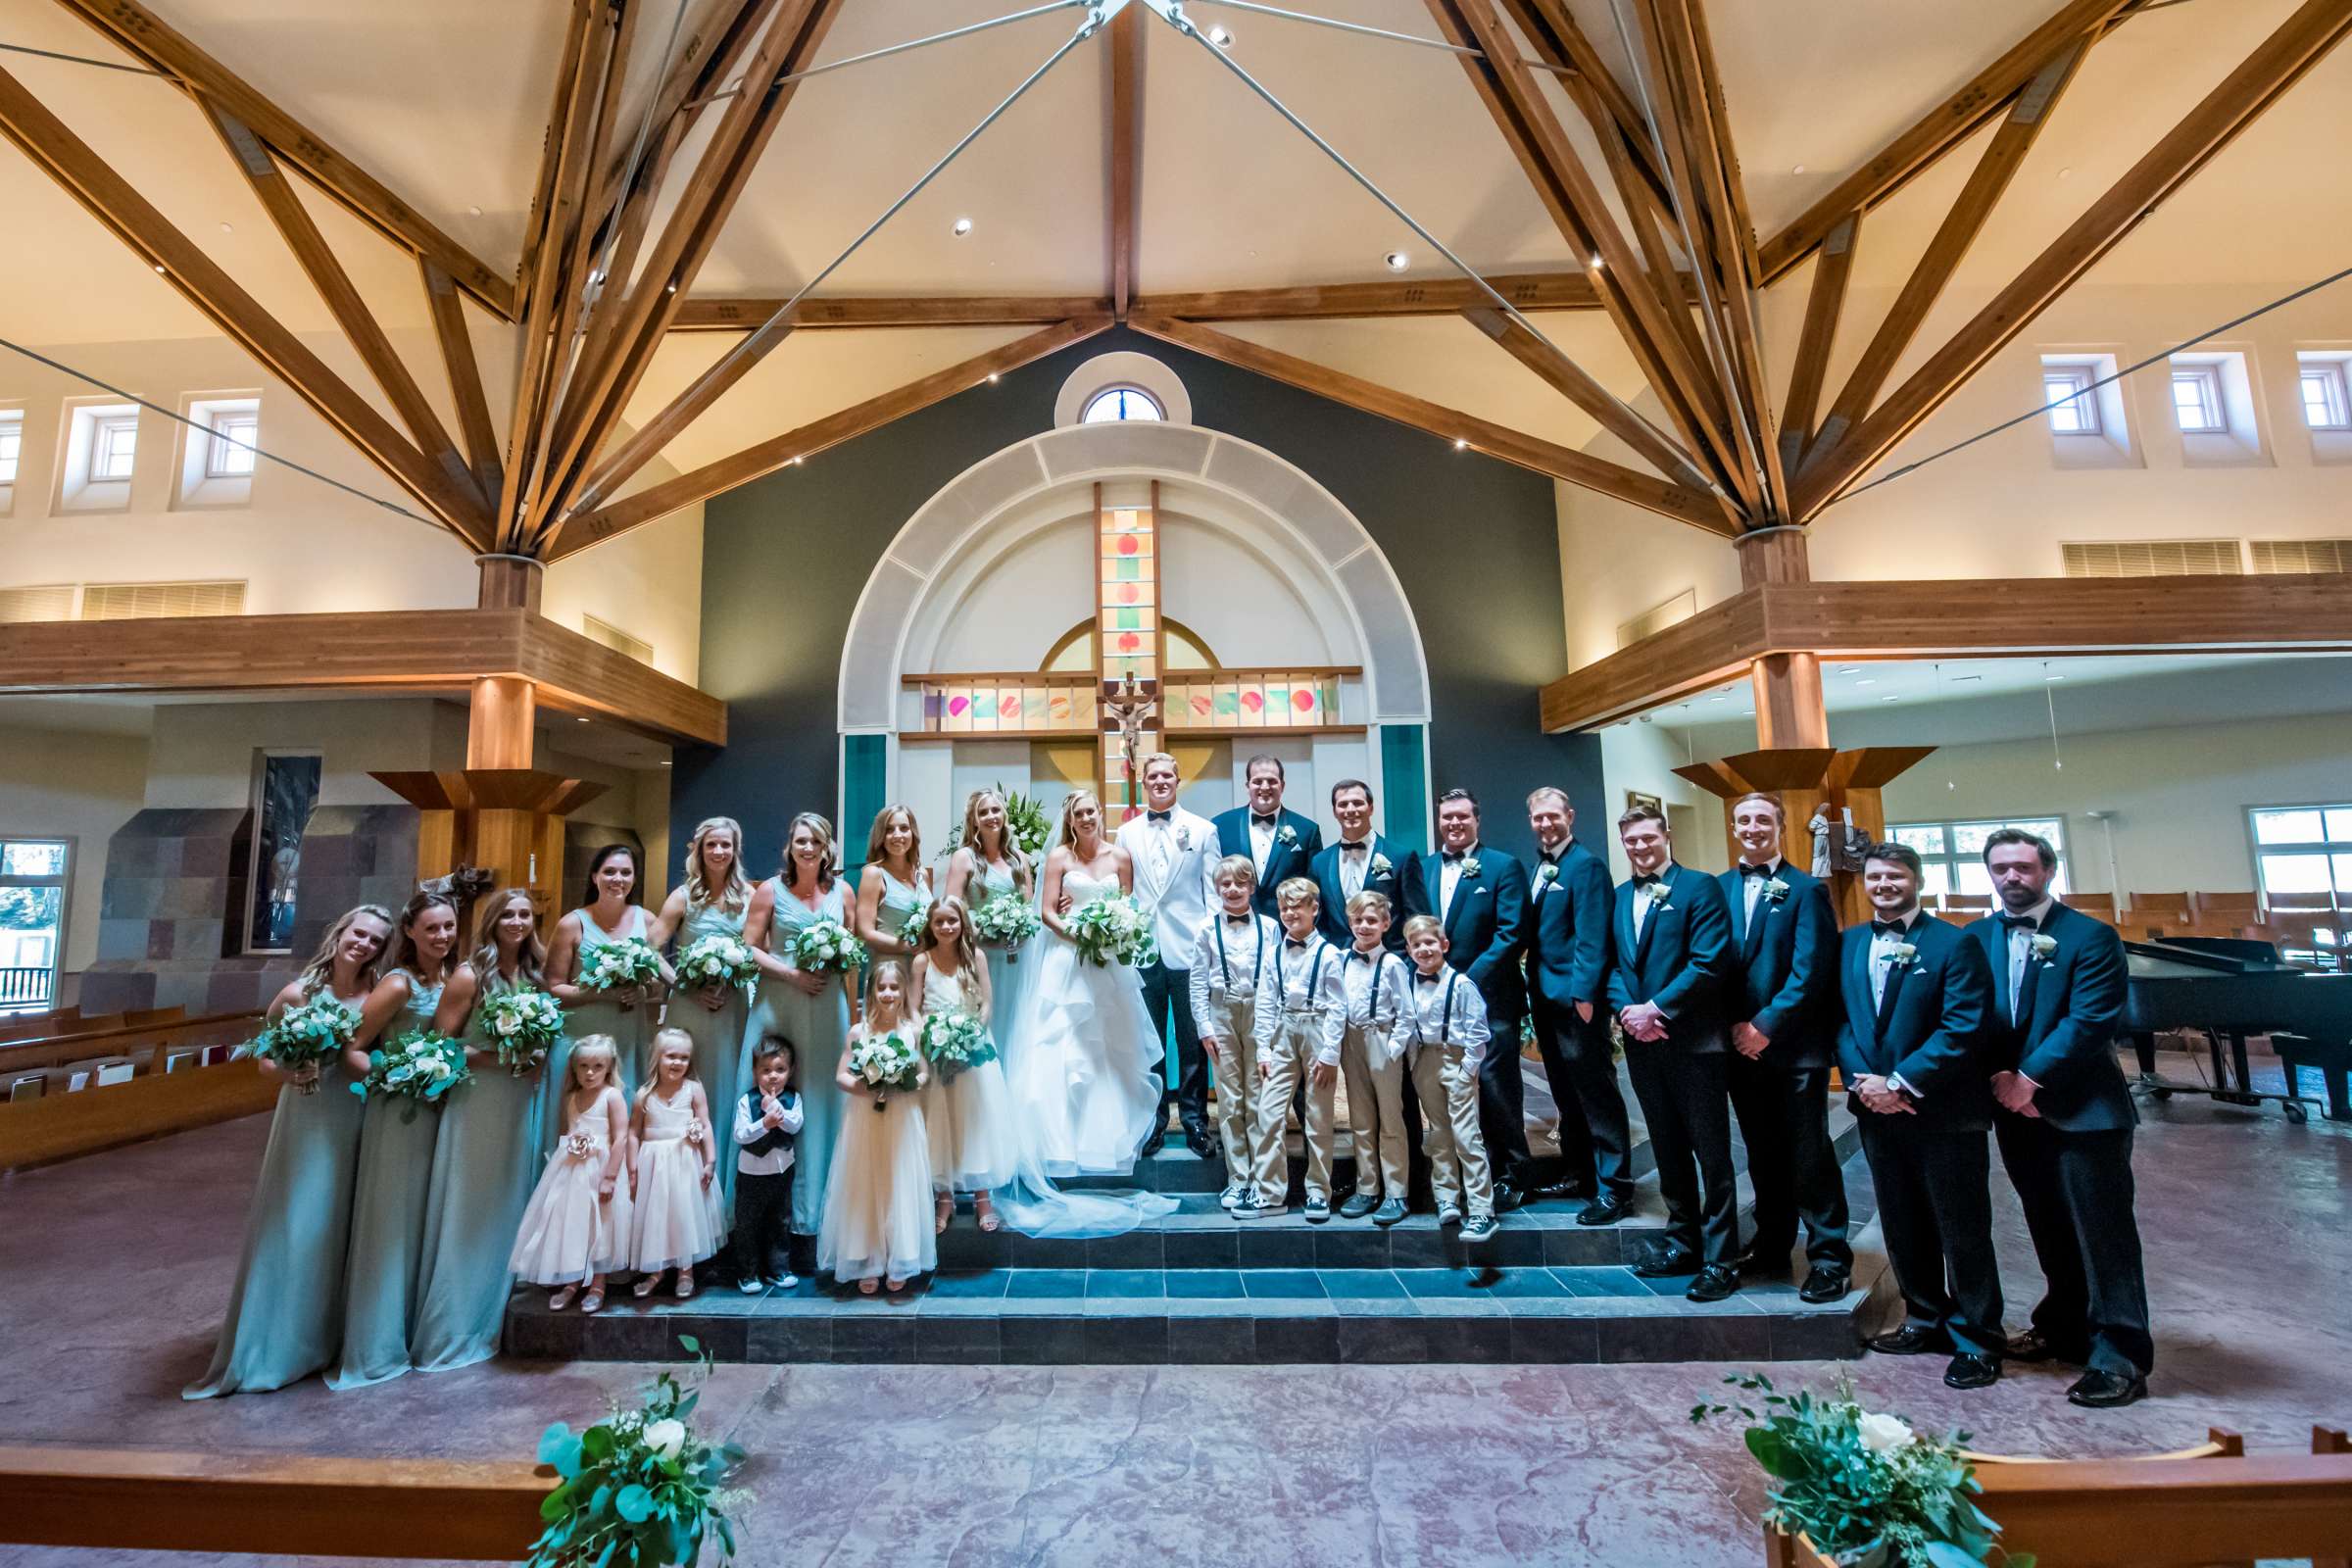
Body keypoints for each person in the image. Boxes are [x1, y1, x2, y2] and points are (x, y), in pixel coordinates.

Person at [1970, 829, 2149, 1408]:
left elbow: (2090, 1020)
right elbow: (1973, 1017)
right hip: (2014, 1110)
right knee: (2047, 1223)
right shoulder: (1975, 938)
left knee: (2104, 1234)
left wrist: (2030, 1080)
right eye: (2000, 868)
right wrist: (2001, 1078)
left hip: (2084, 1111)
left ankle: (2119, 1353)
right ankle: (2064, 1327)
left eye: (2022, 867)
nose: (2011, 878)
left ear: (2047, 870)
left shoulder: (2090, 936)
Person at [185, 904, 393, 1398]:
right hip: (309, 1116)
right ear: (340, 933)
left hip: (359, 1114)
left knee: (342, 1224)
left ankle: (329, 1337)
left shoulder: (376, 996)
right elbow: (263, 1060)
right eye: (358, 934)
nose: (363, 945)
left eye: (375, 941)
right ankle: (280, 1342)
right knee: (299, 1220)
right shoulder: (299, 994)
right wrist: (291, 1071)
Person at [1838, 842, 2004, 1392]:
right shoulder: (1850, 943)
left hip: (1943, 1110)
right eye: (1876, 877)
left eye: (1896, 876)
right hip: (1877, 1108)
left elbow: (1962, 1026)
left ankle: (1978, 1338)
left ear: (1917, 881)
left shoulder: (1957, 944)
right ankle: (1924, 1317)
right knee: (1902, 1220)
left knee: (1962, 1228)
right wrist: (1866, 1081)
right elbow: (1841, 1020)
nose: (1884, 885)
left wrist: (1901, 1082)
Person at [1717, 793, 1851, 1304]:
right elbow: (1717, 964)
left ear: (1780, 826)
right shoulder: (1720, 888)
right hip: (1739, 1046)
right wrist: (1733, 1027)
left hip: (1793, 1047)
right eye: (1744, 820)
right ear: (1734, 828)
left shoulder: (1805, 890)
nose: (1753, 828)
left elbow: (1811, 969)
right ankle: (1772, 1244)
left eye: (1763, 819)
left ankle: (1829, 1257)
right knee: (1761, 1153)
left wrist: (1765, 1026)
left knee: (1808, 1153)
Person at [412, 888, 549, 1373]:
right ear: (491, 922)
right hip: (478, 1101)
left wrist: (534, 1056)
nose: (517, 922)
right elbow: (438, 1048)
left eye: (525, 915)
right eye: (508, 915)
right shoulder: (470, 977)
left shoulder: (533, 973)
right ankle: (457, 1323)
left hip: (520, 1102)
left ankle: (502, 1304)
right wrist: (500, 1057)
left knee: (509, 1201)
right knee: (471, 1206)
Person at [328, 890, 461, 1391]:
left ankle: (414, 1328)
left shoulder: (451, 978)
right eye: (432, 928)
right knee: (392, 1223)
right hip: (397, 1112)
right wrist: (395, 1078)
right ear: (409, 931)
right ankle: (376, 1341)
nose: (442, 936)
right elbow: (353, 1049)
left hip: (436, 1109)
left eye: (448, 927)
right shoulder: (398, 984)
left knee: (425, 1219)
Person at [1608, 806, 1740, 1303]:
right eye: (1631, 841)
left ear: (1666, 836)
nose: (1640, 847)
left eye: (1647, 838)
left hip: (1693, 1042)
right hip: (1644, 1046)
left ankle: (1722, 1258)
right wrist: (1628, 1011)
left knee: (1712, 1152)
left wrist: (1657, 1009)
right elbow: (1614, 966)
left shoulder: (1700, 887)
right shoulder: (1622, 897)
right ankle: (1682, 1241)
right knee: (1666, 1147)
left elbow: (1710, 962)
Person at [999, 790, 1164, 1177]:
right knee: (1063, 1041)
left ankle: (1106, 1140)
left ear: (1100, 813)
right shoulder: (1059, 858)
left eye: (1091, 811)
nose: (1086, 818)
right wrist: (1081, 937)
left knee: (1110, 1044)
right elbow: (1046, 912)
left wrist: (1113, 937)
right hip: (1067, 960)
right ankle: (1058, 1141)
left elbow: (1129, 907)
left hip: (1108, 964)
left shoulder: (1120, 857)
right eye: (1078, 814)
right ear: (1069, 820)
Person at [1407, 788, 1531, 1209]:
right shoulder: (1422, 868)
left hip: (1490, 996)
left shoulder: (1504, 867)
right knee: (1443, 1094)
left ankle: (1511, 1173)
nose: (1454, 824)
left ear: (1477, 819)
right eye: (1446, 818)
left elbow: (1511, 933)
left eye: (1462, 816)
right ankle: (1454, 1177)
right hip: (1432, 1008)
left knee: (1496, 1085)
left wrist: (1462, 980)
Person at [742, 812, 854, 1255]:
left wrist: (853, 1004)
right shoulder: (769, 891)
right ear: (790, 846)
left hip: (828, 1007)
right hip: (780, 1002)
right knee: (778, 1094)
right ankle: (771, 1221)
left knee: (826, 1098)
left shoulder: (840, 892)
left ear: (827, 849)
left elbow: (850, 953)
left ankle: (822, 1211)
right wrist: (792, 974)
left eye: (816, 842)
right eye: (801, 841)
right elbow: (748, 948)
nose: (808, 848)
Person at [1522, 787, 1631, 1225]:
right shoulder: (1543, 866)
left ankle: (1615, 1187)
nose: (1546, 824)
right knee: (1566, 1094)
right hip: (1546, 1000)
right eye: (1538, 817)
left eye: (1553, 816)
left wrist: (1586, 997)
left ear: (1570, 815)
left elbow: (1592, 937)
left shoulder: (1585, 866)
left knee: (1596, 1093)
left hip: (1575, 1002)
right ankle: (1579, 1173)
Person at [1113, 752, 1220, 1159]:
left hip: (1190, 947)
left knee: (1191, 1040)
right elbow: (1124, 891)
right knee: (1150, 1042)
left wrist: (1210, 947)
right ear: (1144, 783)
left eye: (1167, 776)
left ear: (1178, 781)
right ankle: (1154, 1122)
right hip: (1143, 948)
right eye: (1153, 776)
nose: (1160, 782)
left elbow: (1212, 895)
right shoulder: (1126, 834)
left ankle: (1194, 1120)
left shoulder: (1203, 830)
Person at [650, 817, 755, 1214]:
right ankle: (682, 1204)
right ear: (699, 848)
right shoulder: (682, 897)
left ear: (735, 850)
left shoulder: (748, 896)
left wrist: (734, 981)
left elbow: (754, 950)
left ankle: (724, 1203)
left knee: (728, 1091)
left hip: (731, 1007)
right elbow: (651, 950)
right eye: (712, 845)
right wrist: (685, 985)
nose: (719, 852)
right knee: (687, 1093)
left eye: (726, 845)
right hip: (690, 1009)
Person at [820, 962, 935, 1294]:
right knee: (866, 1184)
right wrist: (869, 1086)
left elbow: (924, 1073)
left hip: (902, 1117)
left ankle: (901, 1259)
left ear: (903, 993)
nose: (888, 994)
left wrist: (902, 1082)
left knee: (899, 1183)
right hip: (865, 1118)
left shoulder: (912, 1031)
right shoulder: (859, 1032)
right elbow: (842, 1075)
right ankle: (866, 1259)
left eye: (894, 988)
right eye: (881, 988)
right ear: (871, 992)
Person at [912, 895, 1016, 1232]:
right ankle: (944, 1199)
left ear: (962, 924)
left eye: (952, 921)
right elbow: (913, 1008)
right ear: (930, 924)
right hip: (935, 1050)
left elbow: (986, 1003)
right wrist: (928, 1036)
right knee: (941, 1123)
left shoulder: (976, 958)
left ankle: (983, 1197)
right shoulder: (921, 962)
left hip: (973, 1049)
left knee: (975, 1121)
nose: (946, 927)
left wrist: (970, 1035)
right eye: (939, 921)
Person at [509, 1035, 633, 1313]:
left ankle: (599, 1281)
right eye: (584, 1066)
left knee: (601, 1224)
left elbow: (621, 1138)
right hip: (571, 1171)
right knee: (572, 1224)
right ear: (574, 1068)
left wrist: (611, 1176)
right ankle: (573, 1278)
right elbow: (566, 1133)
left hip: (601, 1170)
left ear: (609, 1067)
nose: (590, 1072)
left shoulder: (612, 1096)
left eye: (598, 1066)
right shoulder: (572, 1097)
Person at [1249, 878, 1346, 1221]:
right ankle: (1270, 1191)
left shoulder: (1330, 954)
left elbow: (1338, 1006)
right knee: (1268, 1113)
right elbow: (1265, 1001)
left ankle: (1318, 1191)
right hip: (1284, 1030)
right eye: (1284, 907)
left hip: (1318, 1030)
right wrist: (1263, 1048)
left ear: (1314, 909)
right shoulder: (1274, 953)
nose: (1290, 913)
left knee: (1318, 1116)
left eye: (1298, 906)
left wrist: (1330, 1052)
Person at [1188, 856, 1279, 1214]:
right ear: (1217, 889)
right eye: (1225, 884)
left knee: (1259, 1098)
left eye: (1240, 883)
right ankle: (1237, 1178)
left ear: (1252, 888)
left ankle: (1260, 1178)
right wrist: (1204, 1027)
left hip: (1260, 1010)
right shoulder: (1206, 929)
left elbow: (1275, 977)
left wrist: (1270, 1027)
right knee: (1229, 1099)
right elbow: (1197, 980)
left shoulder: (1270, 927)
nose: (1233, 890)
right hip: (1222, 1013)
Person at [1397, 914, 1495, 1242]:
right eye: (1416, 944)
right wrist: (1414, 1064)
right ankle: (1446, 1198)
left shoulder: (1462, 984)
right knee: (1438, 1134)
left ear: (1444, 945)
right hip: (1424, 1059)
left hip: (1456, 1060)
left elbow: (1478, 1030)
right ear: (1409, 950)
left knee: (1467, 1135)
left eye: (1429, 942)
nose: (1424, 949)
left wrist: (1468, 1068)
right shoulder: (1408, 982)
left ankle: (1482, 1209)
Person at [545, 845, 661, 1098]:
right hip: (581, 1035)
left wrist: (643, 991)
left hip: (628, 1035)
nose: (618, 879)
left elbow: (658, 981)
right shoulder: (572, 924)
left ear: (634, 878)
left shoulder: (648, 921)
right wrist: (600, 994)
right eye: (609, 872)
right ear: (594, 876)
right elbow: (553, 988)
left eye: (625, 873)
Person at [628, 1028, 722, 1299]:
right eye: (671, 1056)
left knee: (683, 1215)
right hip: (654, 1165)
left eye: (684, 1057)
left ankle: (685, 1270)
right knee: (657, 1218)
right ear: (657, 1057)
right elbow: (634, 1133)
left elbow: (704, 1124)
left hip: (684, 1163)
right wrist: (633, 1167)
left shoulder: (693, 1089)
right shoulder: (644, 1094)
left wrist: (710, 1159)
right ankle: (656, 1271)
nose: (678, 1063)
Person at [1336, 890, 1412, 1225]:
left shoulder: (1393, 963)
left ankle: (1396, 1192)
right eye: (1358, 920)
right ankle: (1367, 1187)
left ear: (1385, 924)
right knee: (1361, 1117)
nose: (1364, 926)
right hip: (1351, 1040)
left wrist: (1394, 1049)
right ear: (1349, 922)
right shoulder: (1339, 959)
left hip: (1383, 1039)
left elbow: (1407, 1013)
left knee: (1391, 1118)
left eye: (1371, 920)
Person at [941, 788, 1038, 1040]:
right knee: (986, 1018)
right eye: (983, 812)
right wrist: (982, 931)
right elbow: (951, 909)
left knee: (1017, 1020)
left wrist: (1020, 933)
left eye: (996, 810)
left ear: (1004, 814)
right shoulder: (964, 858)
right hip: (980, 953)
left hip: (1017, 955)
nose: (991, 816)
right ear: (974, 820)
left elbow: (1029, 908)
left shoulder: (1019, 859)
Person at [732, 1038, 804, 1294]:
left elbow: (795, 1124)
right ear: (755, 1072)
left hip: (781, 1171)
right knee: (747, 1224)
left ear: (790, 1070)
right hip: (751, 1174)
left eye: (780, 1070)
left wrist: (777, 1113)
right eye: (766, 1070)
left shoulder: (793, 1099)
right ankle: (748, 1274)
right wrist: (764, 1123)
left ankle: (778, 1270)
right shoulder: (746, 1101)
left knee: (779, 1222)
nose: (773, 1076)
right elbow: (740, 1135)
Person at [1308, 779, 1414, 952]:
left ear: (1371, 808)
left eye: (1358, 803)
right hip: (1339, 963)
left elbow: (1416, 918)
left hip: (1389, 961)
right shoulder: (1320, 862)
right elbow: (1319, 919)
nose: (1350, 810)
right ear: (1335, 812)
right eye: (1343, 805)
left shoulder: (1401, 857)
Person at [1213, 754, 1323, 917]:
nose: (1265, 787)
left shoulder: (1307, 830)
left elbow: (1313, 889)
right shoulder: (1221, 826)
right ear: (1247, 785)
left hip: (1288, 928)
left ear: (1282, 785)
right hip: (1234, 927)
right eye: (1257, 781)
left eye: (1272, 781)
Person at [855, 805, 934, 963]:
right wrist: (906, 947)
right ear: (881, 836)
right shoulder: (874, 874)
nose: (897, 835)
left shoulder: (922, 875)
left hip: (922, 968)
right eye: (889, 830)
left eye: (904, 828)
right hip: (888, 971)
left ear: (913, 833)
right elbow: (865, 932)